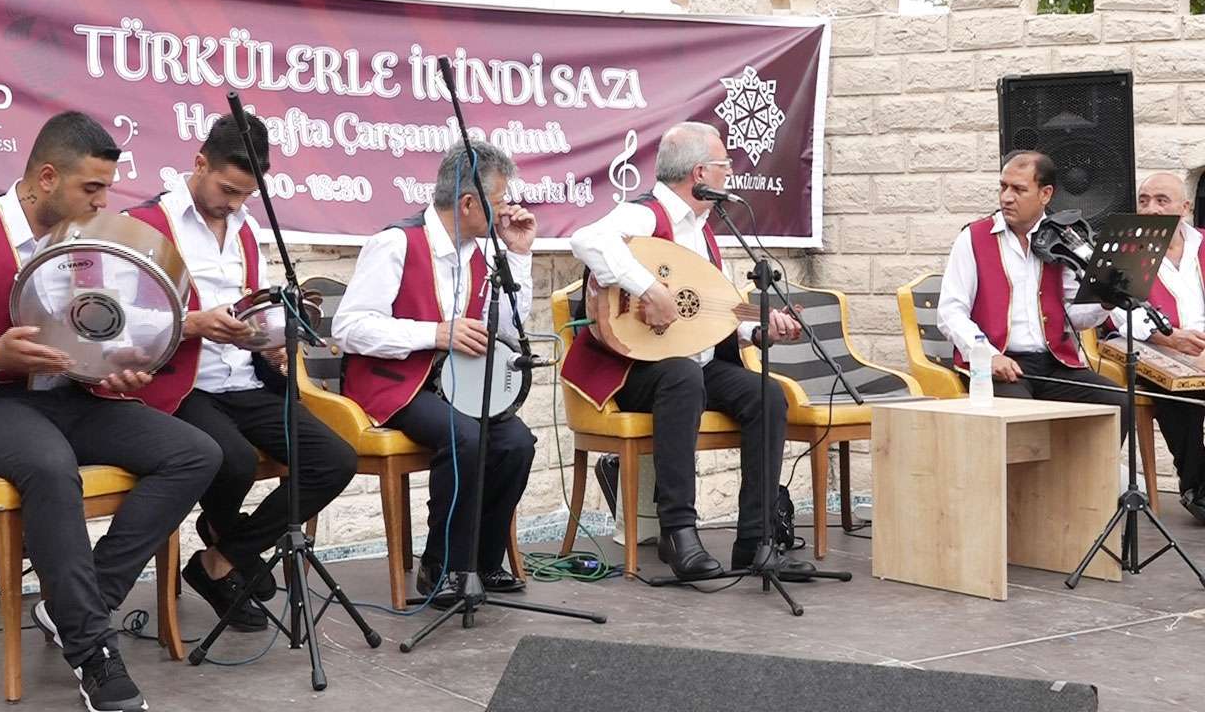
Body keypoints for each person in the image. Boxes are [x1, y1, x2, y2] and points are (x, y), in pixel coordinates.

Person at [0, 111, 222, 712]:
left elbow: (94, 333)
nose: (105, 200)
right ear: (45, 177)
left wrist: (127, 360)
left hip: (67, 396)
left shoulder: (87, 244)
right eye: (92, 188)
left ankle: (74, 606)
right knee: (49, 466)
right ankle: (93, 652)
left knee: (194, 452)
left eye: (108, 187)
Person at [123, 114, 358, 630]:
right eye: (228, 189)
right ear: (199, 162)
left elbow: (250, 307)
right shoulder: (146, 225)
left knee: (335, 459)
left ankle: (222, 557)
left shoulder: (246, 230)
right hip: (186, 385)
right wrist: (191, 324)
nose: (234, 204)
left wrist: (270, 339)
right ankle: (234, 550)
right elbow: (120, 322)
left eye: (245, 195)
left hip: (246, 380)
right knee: (226, 458)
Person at [565, 121, 812, 581]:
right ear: (700, 172)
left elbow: (704, 321)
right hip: (635, 370)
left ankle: (755, 543)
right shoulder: (646, 215)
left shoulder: (704, 233)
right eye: (724, 166)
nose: (729, 175)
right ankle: (678, 533)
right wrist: (646, 288)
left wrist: (760, 333)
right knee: (682, 375)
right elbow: (588, 240)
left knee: (767, 395)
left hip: (693, 366)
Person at [331, 140, 538, 597]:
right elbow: (349, 328)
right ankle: (443, 566)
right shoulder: (395, 244)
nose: (509, 210)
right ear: (468, 203)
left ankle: (481, 564)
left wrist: (519, 254)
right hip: (395, 386)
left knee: (518, 442)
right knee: (465, 437)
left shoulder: (484, 252)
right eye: (500, 201)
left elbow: (507, 327)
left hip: (455, 388)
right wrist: (433, 333)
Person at [937, 150, 1128, 431]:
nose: (1006, 197)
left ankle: (1077, 475)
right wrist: (988, 356)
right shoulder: (973, 238)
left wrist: (1105, 303)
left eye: (1018, 189)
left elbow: (1073, 316)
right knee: (1022, 418)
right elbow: (950, 311)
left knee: (1118, 403)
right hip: (998, 364)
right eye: (1003, 187)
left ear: (1045, 194)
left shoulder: (1062, 239)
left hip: (1054, 364)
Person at [1109, 172, 1205, 523]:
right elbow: (1120, 315)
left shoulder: (1202, 243)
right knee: (1180, 388)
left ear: (1185, 207)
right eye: (1144, 200)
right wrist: (1170, 337)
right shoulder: (1126, 248)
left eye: (1161, 201)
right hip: (1154, 345)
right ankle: (1196, 487)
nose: (1150, 209)